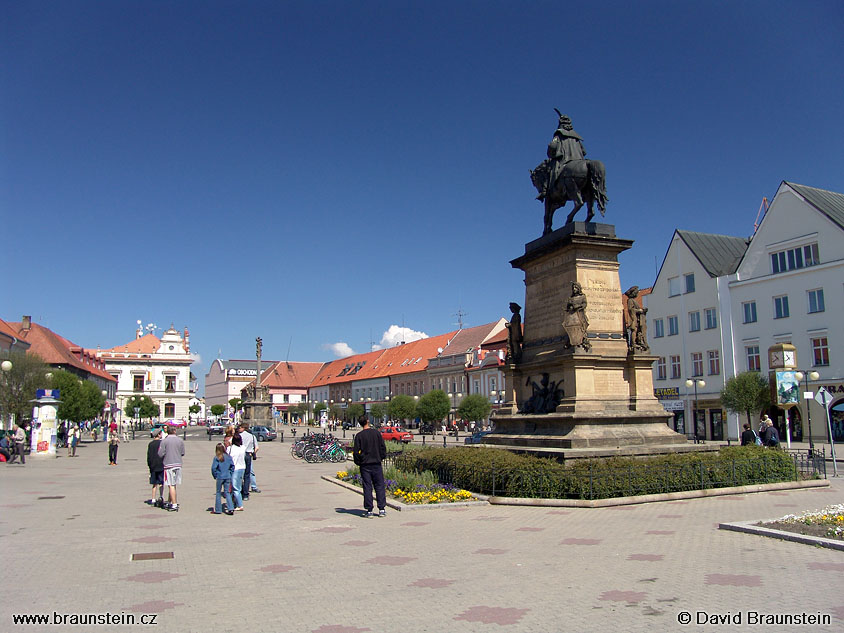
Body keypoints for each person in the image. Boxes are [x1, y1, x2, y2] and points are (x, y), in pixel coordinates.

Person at [352, 416, 387, 518]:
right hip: (376, 463)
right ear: (367, 421)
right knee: (379, 486)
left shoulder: (359, 436)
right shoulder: (376, 433)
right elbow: (382, 447)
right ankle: (381, 509)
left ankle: (369, 510)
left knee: (367, 487)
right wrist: (381, 457)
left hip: (365, 465)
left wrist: (359, 462)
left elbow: (355, 452)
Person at [157, 425, 185, 512]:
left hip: (168, 464)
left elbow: (160, 454)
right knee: (174, 484)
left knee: (170, 485)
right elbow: (182, 452)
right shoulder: (180, 440)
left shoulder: (164, 441)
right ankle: (170, 501)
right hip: (178, 464)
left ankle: (174, 504)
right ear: (175, 431)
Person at [211, 442, 235, 515]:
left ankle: (218, 509)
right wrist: (230, 473)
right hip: (227, 476)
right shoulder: (228, 457)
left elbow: (213, 468)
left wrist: (215, 475)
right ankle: (230, 508)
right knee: (227, 492)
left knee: (218, 492)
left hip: (220, 476)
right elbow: (232, 466)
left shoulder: (217, 458)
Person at [227, 434, 246, 512]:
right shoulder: (243, 448)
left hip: (234, 468)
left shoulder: (230, 448)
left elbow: (228, 457)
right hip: (242, 468)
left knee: (235, 488)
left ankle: (240, 504)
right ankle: (233, 502)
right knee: (238, 486)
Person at [146, 428, 165, 507]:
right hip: (161, 465)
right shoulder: (162, 443)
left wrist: (150, 466)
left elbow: (149, 456)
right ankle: (161, 496)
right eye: (160, 434)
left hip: (153, 465)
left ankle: (153, 498)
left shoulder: (151, 444)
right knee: (161, 483)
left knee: (154, 483)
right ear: (158, 435)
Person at [238, 424, 256, 501]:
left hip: (240, 455)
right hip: (248, 455)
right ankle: (245, 494)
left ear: (243, 428)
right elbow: (256, 447)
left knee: (239, 474)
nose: (238, 429)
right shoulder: (252, 436)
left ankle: (239, 491)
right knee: (247, 475)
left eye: (240, 427)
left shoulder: (239, 436)